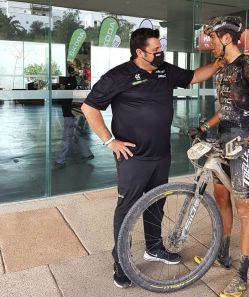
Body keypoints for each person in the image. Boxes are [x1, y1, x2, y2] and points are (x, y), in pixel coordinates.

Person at [81, 28, 223, 289]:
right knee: (127, 210)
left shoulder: (165, 71)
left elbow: (194, 77)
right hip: (134, 158)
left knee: (156, 204)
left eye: (161, 49)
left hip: (161, 155)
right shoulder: (118, 76)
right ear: (139, 52)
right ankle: (121, 262)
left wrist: (218, 63)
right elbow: (89, 108)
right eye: (155, 51)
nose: (160, 54)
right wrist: (110, 141)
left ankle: (154, 248)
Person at [190, 16, 249, 297]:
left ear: (226, 39)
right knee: (221, 197)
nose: (209, 43)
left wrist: (247, 142)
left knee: (244, 208)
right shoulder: (222, 70)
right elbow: (225, 110)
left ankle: (243, 275)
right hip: (222, 139)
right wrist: (204, 126)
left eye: (212, 39)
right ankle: (223, 254)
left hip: (242, 143)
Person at [55, 67, 94, 168]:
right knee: (76, 135)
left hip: (72, 115)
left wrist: (71, 78)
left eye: (61, 86)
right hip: (76, 114)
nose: (60, 87)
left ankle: (60, 160)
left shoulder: (71, 86)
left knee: (67, 137)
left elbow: (71, 86)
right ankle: (87, 154)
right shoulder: (69, 88)